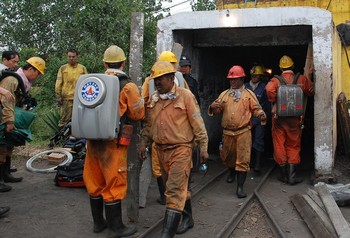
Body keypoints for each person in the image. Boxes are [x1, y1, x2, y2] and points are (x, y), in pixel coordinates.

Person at [139, 60, 209, 237]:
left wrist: (203, 147)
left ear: (171, 78)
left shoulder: (185, 96)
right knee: (175, 188)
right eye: (155, 80)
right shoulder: (154, 99)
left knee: (174, 191)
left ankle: (166, 234)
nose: (157, 84)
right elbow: (148, 125)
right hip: (160, 150)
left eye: (160, 80)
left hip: (181, 150)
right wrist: (143, 144)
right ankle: (188, 218)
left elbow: (197, 122)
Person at [83, 45, 144, 238]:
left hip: (92, 140)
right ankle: (116, 227)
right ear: (123, 62)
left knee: (94, 180)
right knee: (114, 182)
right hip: (113, 142)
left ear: (104, 63)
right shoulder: (127, 85)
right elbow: (137, 113)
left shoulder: (92, 82)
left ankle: (98, 223)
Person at [140, 51, 190, 207]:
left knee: (171, 178)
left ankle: (170, 203)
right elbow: (146, 104)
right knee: (164, 172)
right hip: (162, 136)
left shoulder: (154, 81)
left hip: (175, 140)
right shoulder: (153, 82)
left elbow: (143, 104)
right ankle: (170, 201)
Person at [208, 65, 266, 198]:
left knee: (243, 159)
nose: (232, 82)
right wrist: (213, 107)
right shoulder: (224, 95)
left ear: (241, 79)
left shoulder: (248, 95)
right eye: (231, 79)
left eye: (235, 79)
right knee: (228, 157)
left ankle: (240, 187)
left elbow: (256, 108)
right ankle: (231, 171)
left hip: (243, 132)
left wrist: (261, 114)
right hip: (227, 133)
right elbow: (217, 111)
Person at [265, 55, 314, 185]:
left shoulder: (276, 81)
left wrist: (274, 101)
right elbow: (311, 90)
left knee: (279, 143)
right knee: (293, 144)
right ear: (292, 66)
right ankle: (292, 176)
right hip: (295, 118)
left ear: (280, 68)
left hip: (279, 118)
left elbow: (269, 89)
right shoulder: (301, 79)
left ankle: (283, 175)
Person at [0, 56, 46, 190]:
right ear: (31, 69)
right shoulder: (12, 80)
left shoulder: (23, 82)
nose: (37, 77)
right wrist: (9, 121)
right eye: (37, 73)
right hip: (3, 117)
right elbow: (6, 101)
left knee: (8, 147)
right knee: (1, 149)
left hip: (8, 116)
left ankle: (6, 174)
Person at [244, 65, 269, 174]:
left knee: (258, 140)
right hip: (246, 119)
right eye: (253, 76)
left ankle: (257, 164)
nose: (254, 77)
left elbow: (268, 104)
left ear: (260, 76)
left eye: (256, 76)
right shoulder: (244, 87)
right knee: (245, 140)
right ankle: (246, 162)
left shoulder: (264, 87)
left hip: (259, 119)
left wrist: (266, 117)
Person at [55, 49, 87, 128]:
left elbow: (87, 82)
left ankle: (77, 137)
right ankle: (62, 138)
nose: (71, 58)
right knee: (64, 119)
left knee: (79, 119)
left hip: (79, 99)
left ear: (77, 57)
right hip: (67, 98)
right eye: (69, 57)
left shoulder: (82, 68)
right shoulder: (63, 68)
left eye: (73, 56)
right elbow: (58, 83)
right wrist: (58, 96)